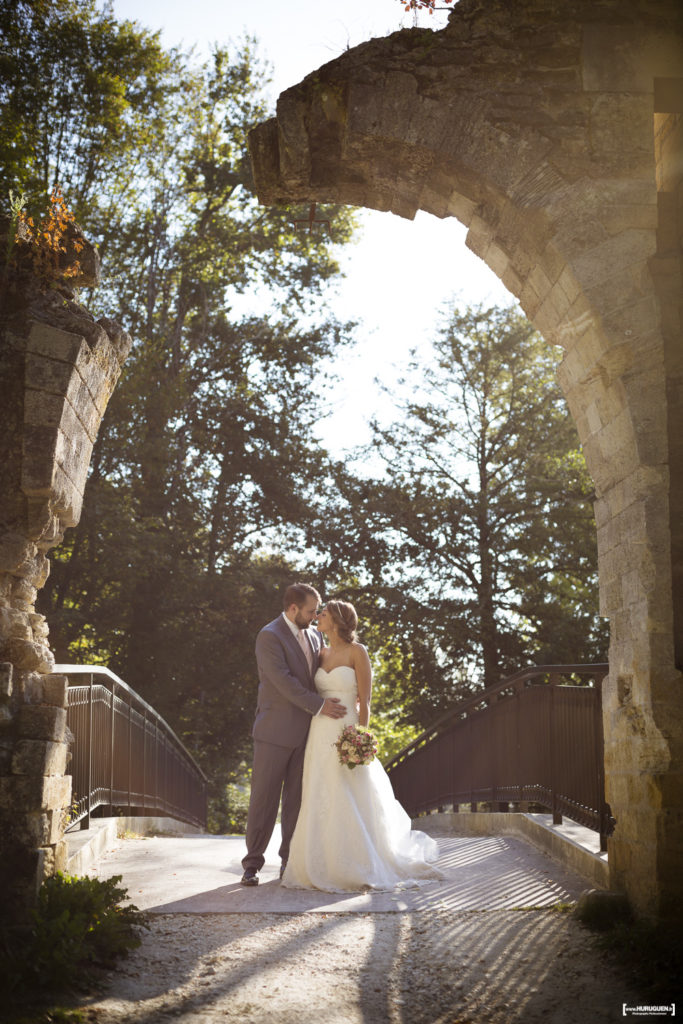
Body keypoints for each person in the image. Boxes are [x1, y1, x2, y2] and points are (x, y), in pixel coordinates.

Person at [282, 599, 442, 892]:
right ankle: (322, 863)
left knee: (350, 791)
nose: (318, 616)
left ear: (338, 620)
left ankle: (360, 861)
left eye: (324, 613)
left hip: (347, 729)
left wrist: (359, 738)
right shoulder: (320, 652)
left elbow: (365, 701)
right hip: (319, 733)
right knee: (320, 791)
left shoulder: (358, 651)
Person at [241, 582, 347, 886]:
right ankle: (252, 864)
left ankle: (290, 860)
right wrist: (320, 706)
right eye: (312, 611)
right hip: (274, 731)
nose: (316, 617)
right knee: (264, 799)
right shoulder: (269, 636)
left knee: (297, 801)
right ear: (293, 609)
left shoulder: (314, 636)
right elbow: (283, 682)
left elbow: (318, 677)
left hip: (308, 734)